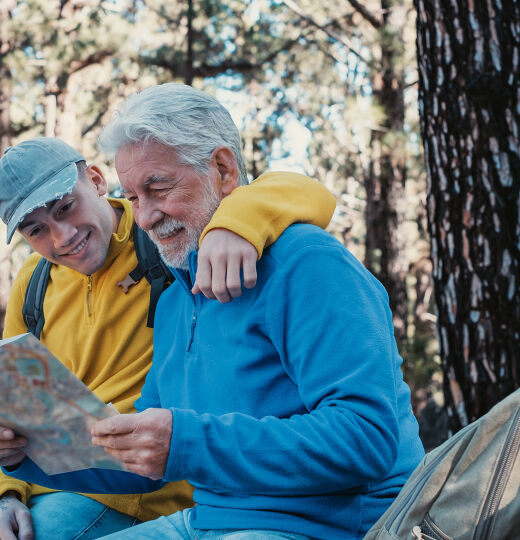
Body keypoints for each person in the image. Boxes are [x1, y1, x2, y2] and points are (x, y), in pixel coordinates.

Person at [2, 84, 425, 539]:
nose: (143, 217)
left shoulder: (307, 263)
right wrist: (24, 455)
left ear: (222, 169)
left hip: (329, 524)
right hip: (209, 521)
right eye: (135, 197)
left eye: (158, 188)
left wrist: (187, 443)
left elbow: (367, 439)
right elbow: (143, 465)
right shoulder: (176, 301)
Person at [0, 136, 335, 540]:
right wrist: (8, 489)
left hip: (161, 482)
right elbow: (14, 395)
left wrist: (236, 224)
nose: (62, 237)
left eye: (66, 207)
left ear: (95, 179)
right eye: (37, 230)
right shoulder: (33, 282)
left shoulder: (167, 235)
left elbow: (311, 194)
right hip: (65, 476)